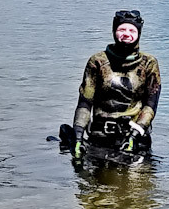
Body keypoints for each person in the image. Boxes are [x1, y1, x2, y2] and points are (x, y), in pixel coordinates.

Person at [67, 10, 161, 158]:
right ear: (114, 31)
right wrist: (78, 134)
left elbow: (151, 105)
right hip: (99, 139)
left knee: (137, 180)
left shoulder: (148, 64)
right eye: (121, 29)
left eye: (132, 30)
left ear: (139, 34)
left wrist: (135, 135)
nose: (126, 33)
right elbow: (85, 103)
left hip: (134, 139)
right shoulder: (97, 61)